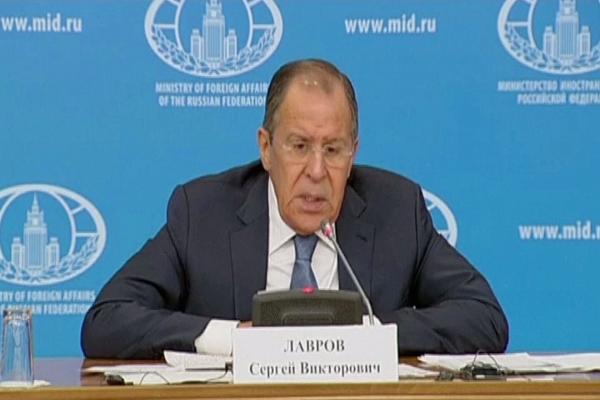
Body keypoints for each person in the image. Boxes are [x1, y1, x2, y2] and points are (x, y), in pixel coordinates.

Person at [81, 59, 508, 359]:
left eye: (333, 149)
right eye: (299, 146)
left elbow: (484, 318)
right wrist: (234, 339)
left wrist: (367, 336)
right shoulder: (203, 212)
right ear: (267, 148)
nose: (317, 171)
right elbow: (106, 321)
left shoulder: (396, 211)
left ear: (353, 153)